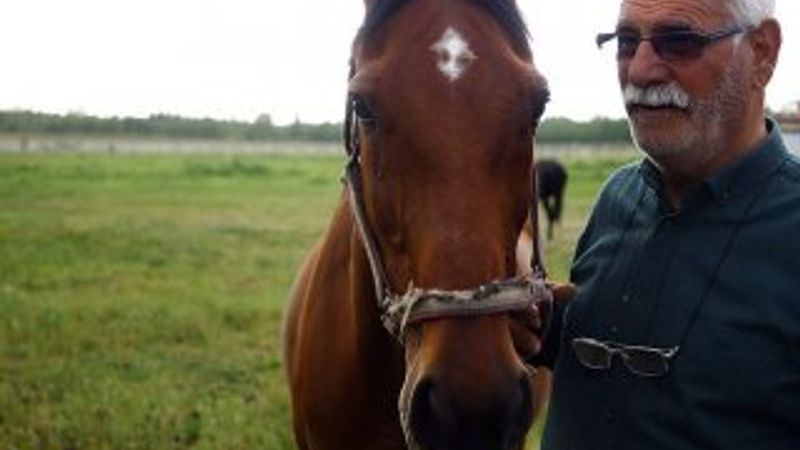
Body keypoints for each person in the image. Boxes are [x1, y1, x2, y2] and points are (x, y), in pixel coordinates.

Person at [537, 0, 800, 449]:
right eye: (625, 42)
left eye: (678, 41)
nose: (640, 71)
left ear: (761, 53)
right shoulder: (616, 198)